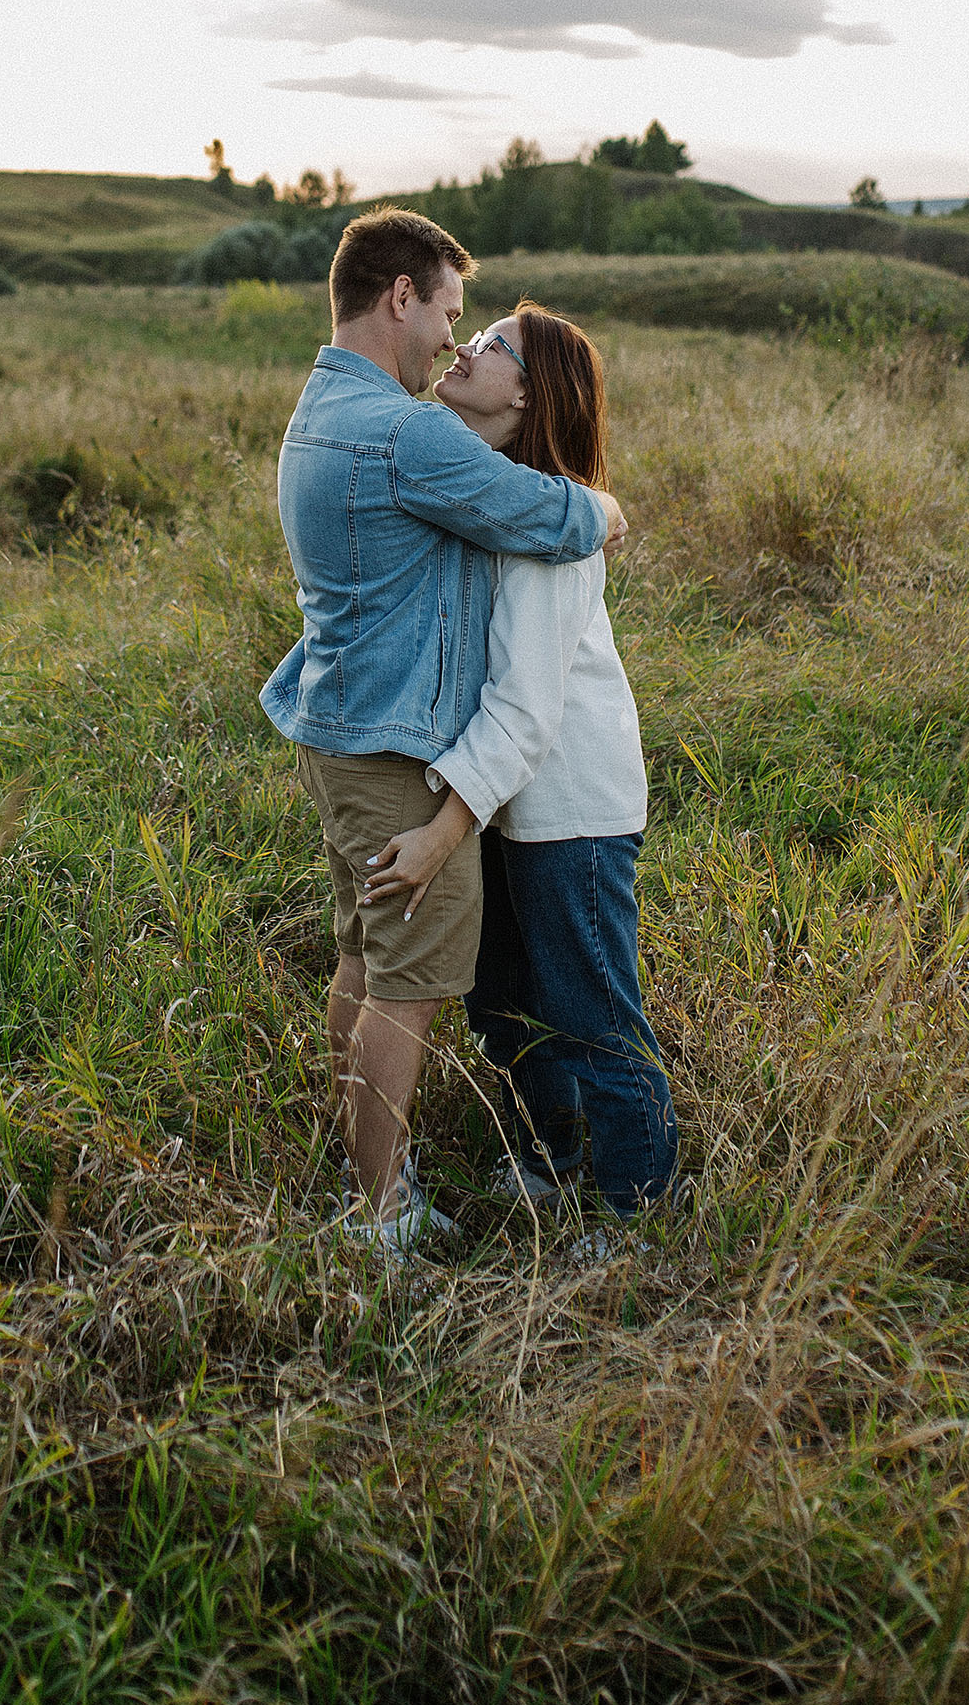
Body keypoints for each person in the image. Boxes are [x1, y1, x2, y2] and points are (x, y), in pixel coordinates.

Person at [262, 211, 625, 1253]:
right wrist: (607, 511)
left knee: (360, 963)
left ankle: (366, 1177)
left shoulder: (323, 403)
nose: (449, 342)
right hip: (394, 749)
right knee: (408, 986)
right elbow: (547, 518)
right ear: (399, 299)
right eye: (448, 313)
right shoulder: (403, 429)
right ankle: (379, 1214)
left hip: (338, 722)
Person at [360, 301, 677, 1222]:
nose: (467, 346)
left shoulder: (551, 533)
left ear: (531, 393)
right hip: (505, 803)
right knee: (504, 1003)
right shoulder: (499, 497)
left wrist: (441, 823)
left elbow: (527, 709)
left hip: (570, 807)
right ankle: (550, 1155)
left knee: (591, 1012)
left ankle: (634, 1206)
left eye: (494, 345)